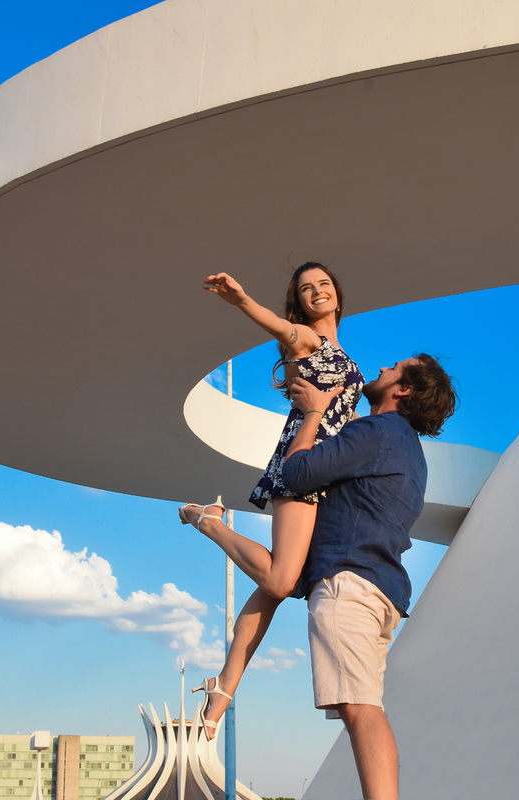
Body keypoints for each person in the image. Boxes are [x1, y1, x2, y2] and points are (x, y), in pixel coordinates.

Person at [178, 262, 365, 739]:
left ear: (338, 296)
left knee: (278, 586)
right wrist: (241, 299)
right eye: (307, 289)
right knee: (282, 581)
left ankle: (224, 686)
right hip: (302, 462)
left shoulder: (345, 354)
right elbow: (274, 323)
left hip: (332, 472)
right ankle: (207, 520)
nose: (317, 292)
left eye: (324, 284)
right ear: (299, 303)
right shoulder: (305, 339)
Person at [282, 354, 457, 800]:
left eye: (394, 369)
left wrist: (314, 412)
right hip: (381, 591)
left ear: (405, 390)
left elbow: (298, 472)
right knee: (363, 708)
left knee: (361, 711)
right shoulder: (409, 451)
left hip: (349, 582)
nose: (381, 369)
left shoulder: (378, 432)